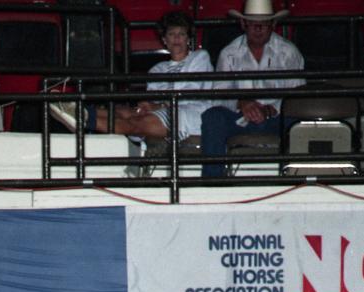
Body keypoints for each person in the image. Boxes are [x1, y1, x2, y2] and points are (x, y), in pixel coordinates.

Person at [52, 11, 211, 154]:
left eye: (181, 34)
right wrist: (147, 106)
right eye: (171, 34)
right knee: (125, 111)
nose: (176, 38)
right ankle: (77, 110)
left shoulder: (199, 57)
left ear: (188, 39)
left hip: (189, 115)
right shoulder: (157, 69)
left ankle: (85, 121)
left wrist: (158, 106)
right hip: (163, 113)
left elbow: (189, 94)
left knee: (135, 122)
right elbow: (154, 99)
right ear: (164, 39)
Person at [199, 0, 305, 179]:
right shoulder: (229, 53)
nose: (258, 28)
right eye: (253, 23)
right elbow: (219, 95)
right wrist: (241, 103)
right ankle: (212, 180)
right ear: (243, 24)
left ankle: (295, 178)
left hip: (277, 119)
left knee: (299, 124)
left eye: (264, 23)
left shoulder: (289, 52)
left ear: (273, 24)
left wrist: (273, 109)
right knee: (213, 117)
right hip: (240, 117)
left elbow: (298, 97)